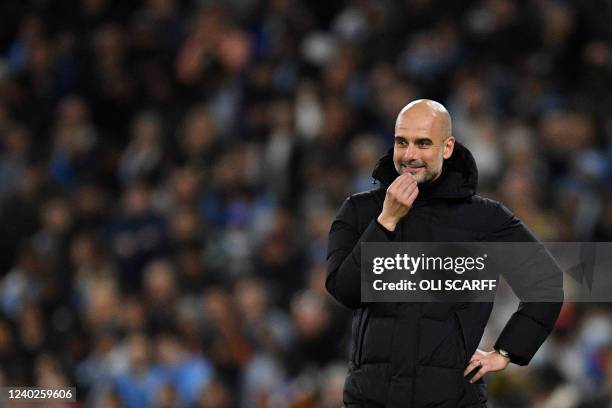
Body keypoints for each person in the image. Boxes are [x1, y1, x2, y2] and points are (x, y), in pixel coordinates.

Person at [326, 100, 563, 407]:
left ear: (448, 147)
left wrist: (507, 351)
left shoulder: (485, 219)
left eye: (423, 143)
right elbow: (344, 291)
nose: (410, 155)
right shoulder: (360, 210)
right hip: (371, 399)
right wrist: (385, 222)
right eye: (402, 142)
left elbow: (545, 281)